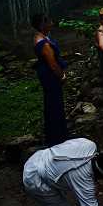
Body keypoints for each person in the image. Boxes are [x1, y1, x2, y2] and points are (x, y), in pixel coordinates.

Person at [32, 14, 69, 146]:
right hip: (49, 75)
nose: (52, 23)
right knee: (54, 103)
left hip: (47, 73)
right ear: (43, 24)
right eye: (49, 21)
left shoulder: (43, 37)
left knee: (54, 102)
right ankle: (57, 136)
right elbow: (52, 64)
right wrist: (62, 76)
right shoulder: (43, 43)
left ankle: (57, 133)